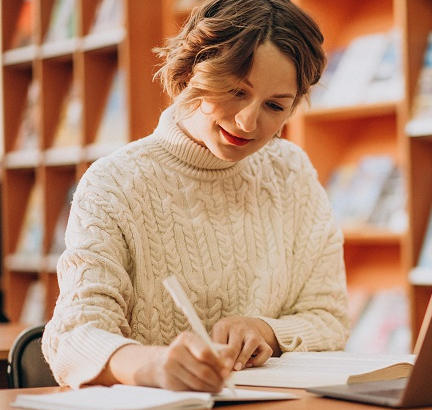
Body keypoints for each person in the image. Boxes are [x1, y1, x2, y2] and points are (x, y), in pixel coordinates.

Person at [42, 0, 348, 392]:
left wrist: (267, 332)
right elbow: (72, 336)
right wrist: (152, 365)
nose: (248, 122)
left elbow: (330, 318)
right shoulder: (114, 183)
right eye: (236, 91)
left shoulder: (290, 172)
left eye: (275, 106)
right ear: (190, 71)